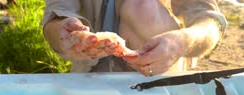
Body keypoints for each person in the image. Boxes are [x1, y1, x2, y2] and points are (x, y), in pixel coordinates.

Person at [42, 0, 226, 76]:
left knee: (141, 7)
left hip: (158, 81)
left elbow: (209, 23)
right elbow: (56, 15)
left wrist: (182, 41)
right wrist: (63, 32)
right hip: (89, 77)